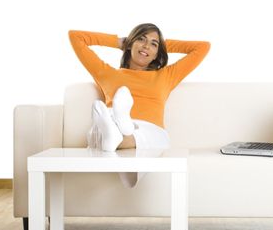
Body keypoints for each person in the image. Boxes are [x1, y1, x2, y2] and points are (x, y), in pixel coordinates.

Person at [69, 24, 210, 186]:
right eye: (141, 39)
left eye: (153, 44)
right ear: (130, 44)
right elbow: (75, 37)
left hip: (148, 128)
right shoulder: (107, 73)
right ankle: (118, 127)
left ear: (158, 53)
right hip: (111, 123)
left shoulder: (165, 76)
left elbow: (203, 47)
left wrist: (162, 46)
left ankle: (118, 131)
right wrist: (118, 42)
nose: (146, 46)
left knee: (153, 136)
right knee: (105, 123)